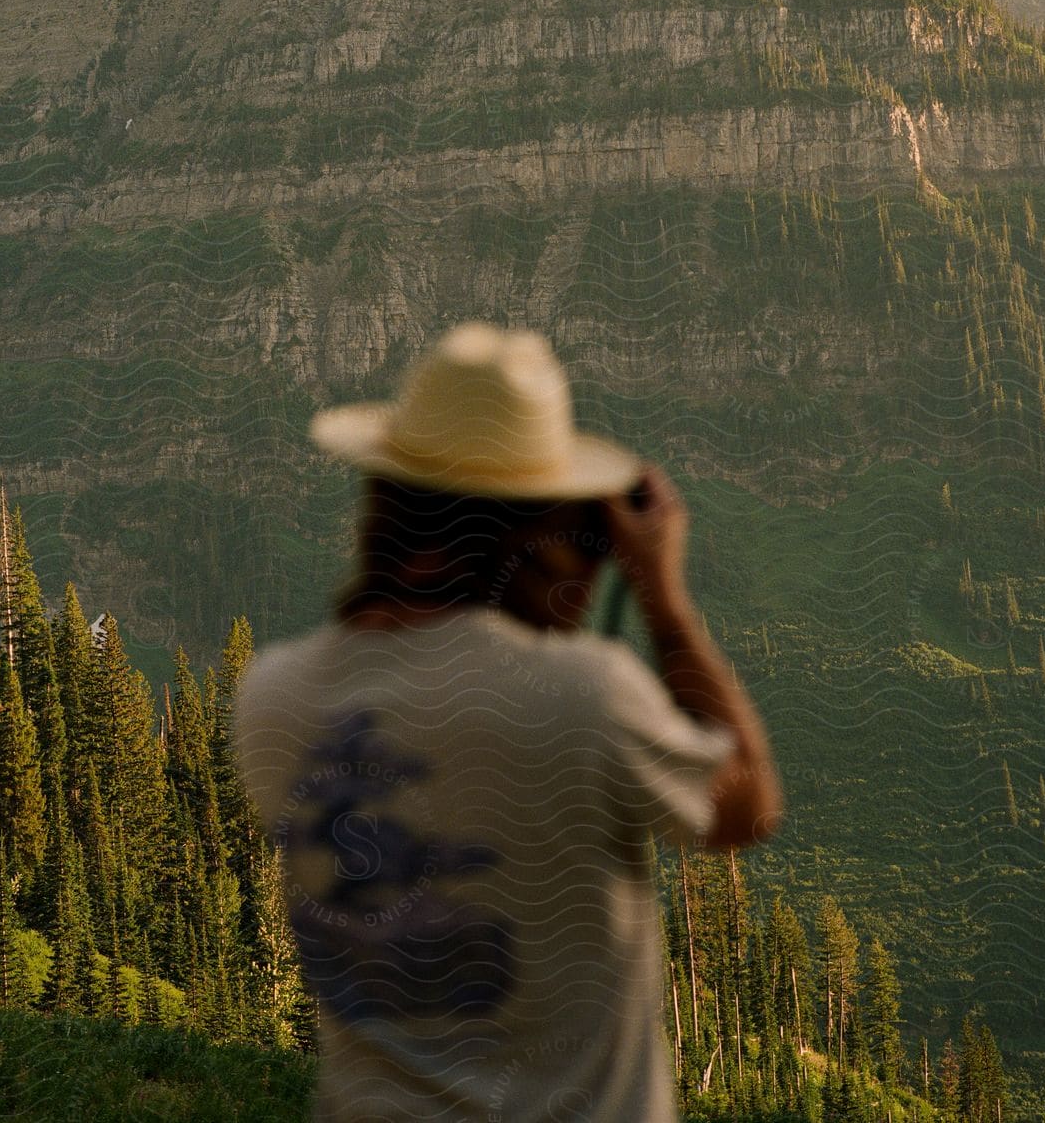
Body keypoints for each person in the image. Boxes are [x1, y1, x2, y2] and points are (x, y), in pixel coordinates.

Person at [235, 321, 783, 1121]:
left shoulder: (273, 698)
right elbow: (746, 804)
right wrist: (661, 596)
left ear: (384, 499)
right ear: (545, 532)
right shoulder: (586, 697)